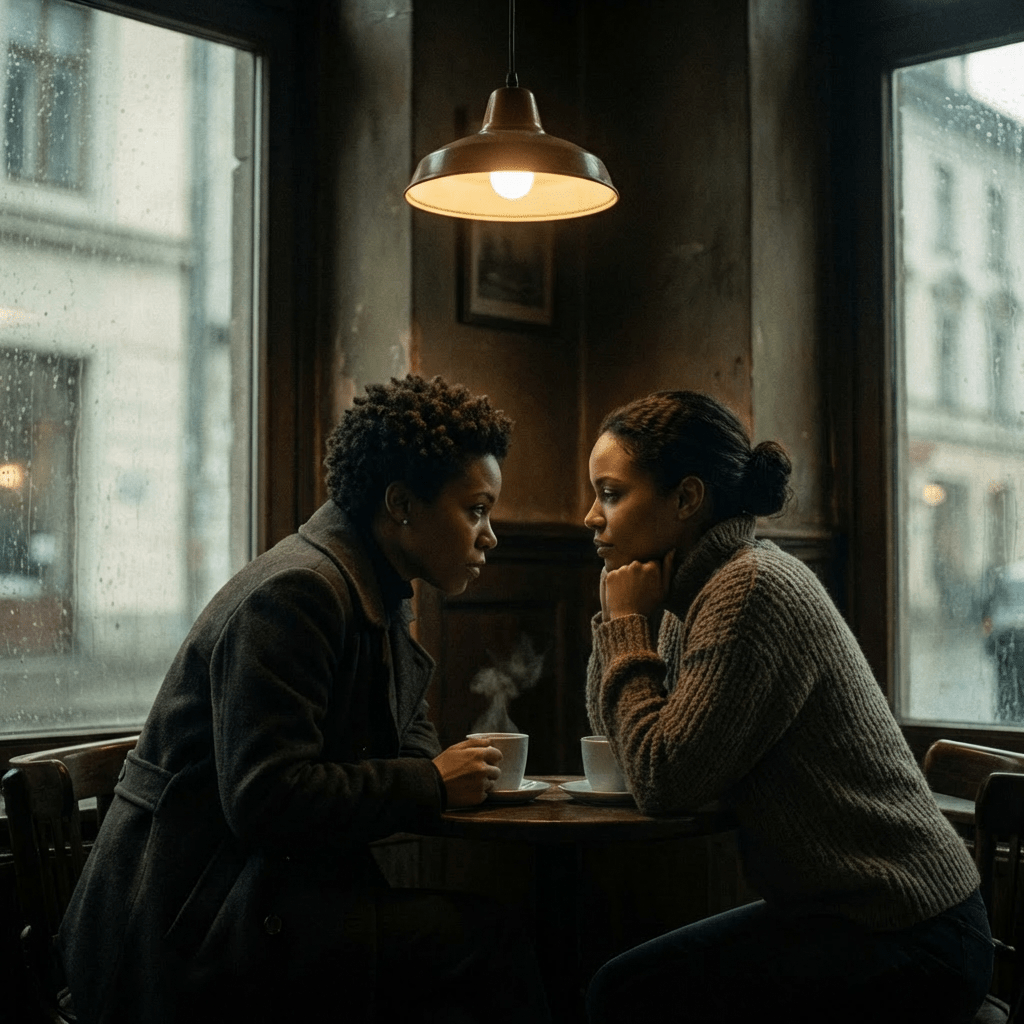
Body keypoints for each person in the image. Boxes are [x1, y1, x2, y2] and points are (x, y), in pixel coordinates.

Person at [58, 374, 551, 1024]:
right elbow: (266, 799)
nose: (490, 536)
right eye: (476, 509)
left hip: (258, 904)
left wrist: (433, 773)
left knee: (485, 932)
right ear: (401, 504)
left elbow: (410, 739)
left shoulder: (373, 591)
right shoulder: (299, 591)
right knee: (495, 942)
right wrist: (431, 783)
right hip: (188, 931)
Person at [581, 390, 993, 1024]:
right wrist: (625, 622)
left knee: (627, 995)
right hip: (848, 916)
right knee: (625, 985)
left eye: (611, 493)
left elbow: (663, 780)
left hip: (913, 932)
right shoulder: (693, 595)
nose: (590, 516)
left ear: (687, 499)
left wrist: (626, 624)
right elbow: (626, 738)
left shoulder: (749, 591)